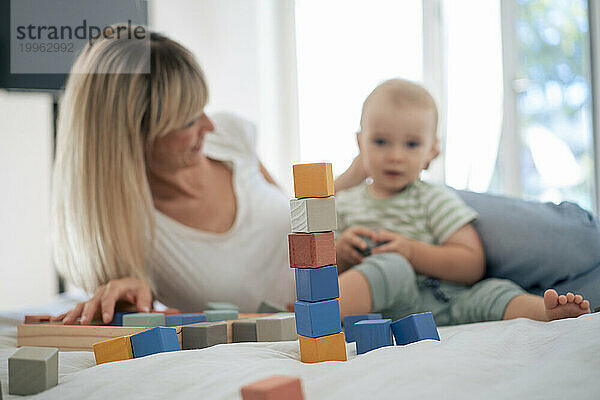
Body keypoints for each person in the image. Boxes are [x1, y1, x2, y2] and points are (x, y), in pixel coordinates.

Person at [50, 27, 364, 325]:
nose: (209, 126)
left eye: (203, 109)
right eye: (188, 121)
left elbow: (298, 215)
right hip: (283, 336)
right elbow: (137, 312)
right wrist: (128, 302)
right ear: (131, 141)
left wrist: (360, 171)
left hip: (343, 293)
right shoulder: (126, 233)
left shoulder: (230, 135)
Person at [334, 78, 591, 325]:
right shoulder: (344, 203)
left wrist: (412, 252)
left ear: (431, 152)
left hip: (444, 299)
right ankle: (317, 317)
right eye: (380, 142)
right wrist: (341, 254)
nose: (395, 156)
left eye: (412, 144)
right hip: (374, 309)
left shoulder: (432, 198)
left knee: (493, 291)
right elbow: (317, 267)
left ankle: (546, 312)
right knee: (391, 267)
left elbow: (472, 264)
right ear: (360, 143)